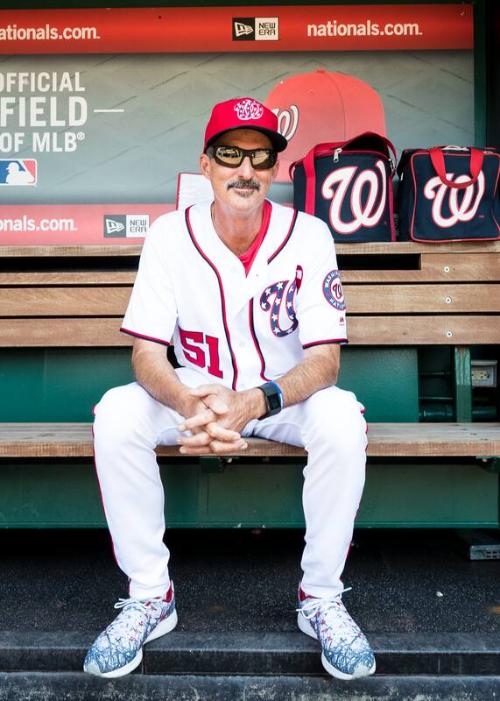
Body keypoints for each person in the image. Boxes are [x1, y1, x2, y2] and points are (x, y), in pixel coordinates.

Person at [84, 97, 375, 681]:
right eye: (230, 154)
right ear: (207, 163)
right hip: (196, 396)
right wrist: (190, 404)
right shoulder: (170, 235)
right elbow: (145, 353)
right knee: (115, 413)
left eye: (260, 157)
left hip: (280, 398)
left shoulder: (309, 235)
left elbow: (325, 362)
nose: (245, 170)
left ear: (273, 169)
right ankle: (150, 595)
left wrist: (254, 401)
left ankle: (320, 598)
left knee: (343, 420)